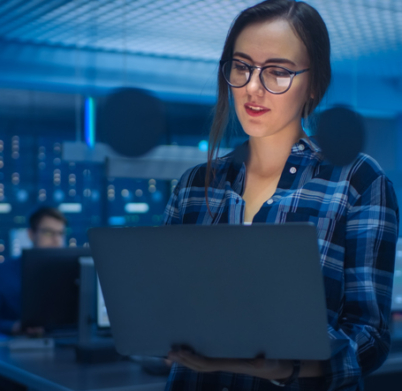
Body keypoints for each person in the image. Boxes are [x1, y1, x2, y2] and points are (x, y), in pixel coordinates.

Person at [163, 1, 399, 390]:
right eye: (241, 67)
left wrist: (282, 367)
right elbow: (164, 309)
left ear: (314, 85)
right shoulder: (194, 186)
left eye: (278, 72)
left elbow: (370, 338)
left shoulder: (357, 181)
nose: (252, 87)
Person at [0, 207, 67, 335]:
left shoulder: (73, 272)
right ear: (31, 234)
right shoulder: (4, 271)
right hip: (19, 345)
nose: (56, 240)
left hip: (65, 341)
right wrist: (13, 326)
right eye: (48, 232)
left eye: (60, 233)